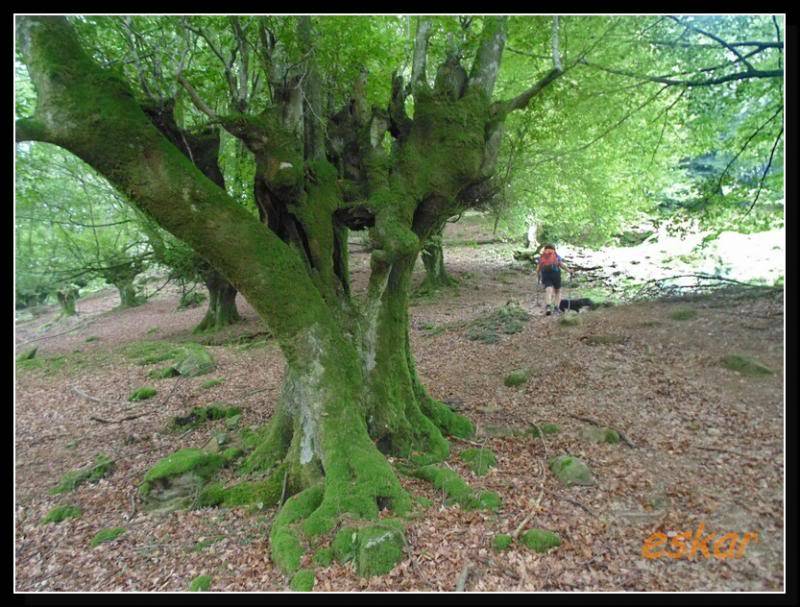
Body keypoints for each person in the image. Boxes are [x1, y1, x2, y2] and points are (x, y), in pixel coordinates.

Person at [536, 244, 570, 316]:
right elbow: (561, 265)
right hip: (556, 274)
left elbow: (538, 269)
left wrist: (539, 276)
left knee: (548, 289)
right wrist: (569, 270)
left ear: (545, 249)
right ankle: (556, 308)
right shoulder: (556, 255)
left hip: (545, 274)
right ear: (554, 249)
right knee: (557, 291)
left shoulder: (542, 256)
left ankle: (548, 306)